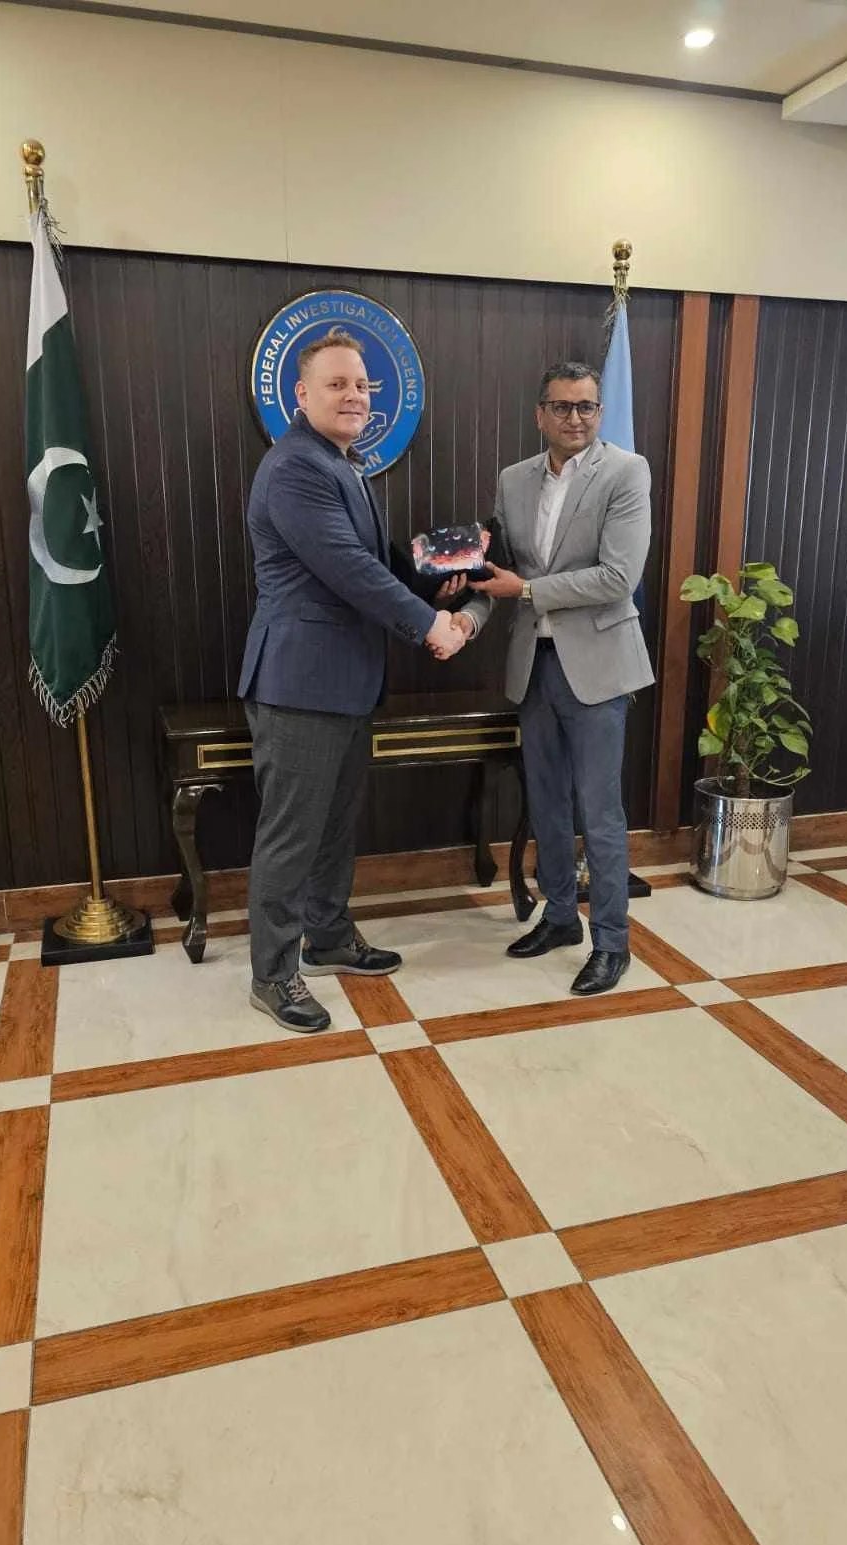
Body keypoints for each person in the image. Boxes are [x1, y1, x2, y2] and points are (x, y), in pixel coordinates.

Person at [238, 331, 465, 1034]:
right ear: (300, 395)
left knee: (333, 829)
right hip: (300, 684)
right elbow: (347, 569)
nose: (354, 396)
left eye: (362, 385)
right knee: (290, 836)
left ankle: (329, 936)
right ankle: (274, 975)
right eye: (337, 384)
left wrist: (438, 582)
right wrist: (429, 623)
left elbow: (376, 562)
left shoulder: (345, 463)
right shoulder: (296, 469)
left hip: (346, 683)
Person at [457, 360, 654, 996]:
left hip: (597, 666)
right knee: (544, 802)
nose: (576, 419)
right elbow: (499, 572)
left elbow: (617, 578)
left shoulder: (626, 472)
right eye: (563, 407)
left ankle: (612, 943)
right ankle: (562, 918)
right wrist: (463, 608)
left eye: (587, 407)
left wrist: (529, 589)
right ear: (540, 413)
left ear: (599, 412)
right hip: (532, 666)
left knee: (599, 811)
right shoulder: (512, 481)